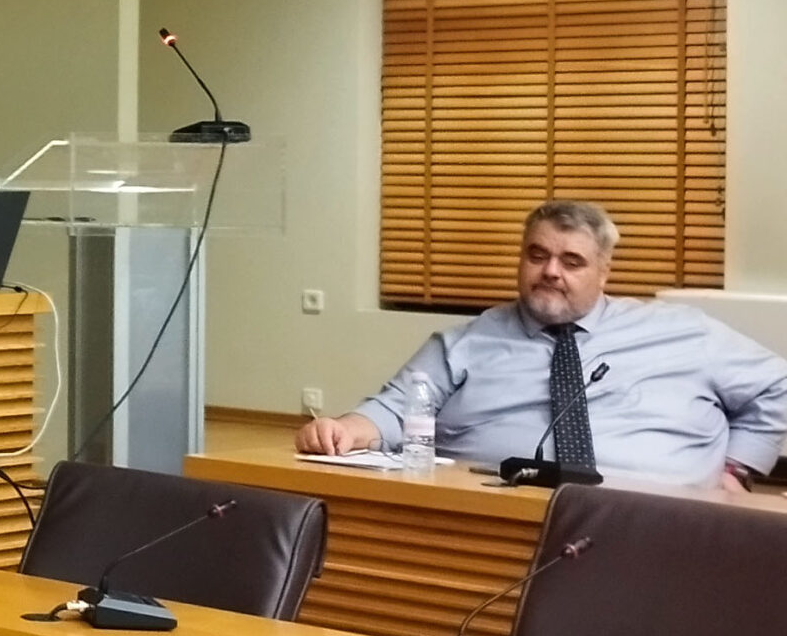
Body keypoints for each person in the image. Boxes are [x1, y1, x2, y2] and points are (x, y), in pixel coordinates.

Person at [295, 199, 787, 490]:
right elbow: (396, 408)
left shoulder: (683, 332)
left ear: (604, 271)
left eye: (571, 262)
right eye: (537, 255)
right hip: (496, 516)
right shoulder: (467, 341)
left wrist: (737, 467)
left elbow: (777, 386)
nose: (551, 271)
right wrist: (343, 430)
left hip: (656, 519)